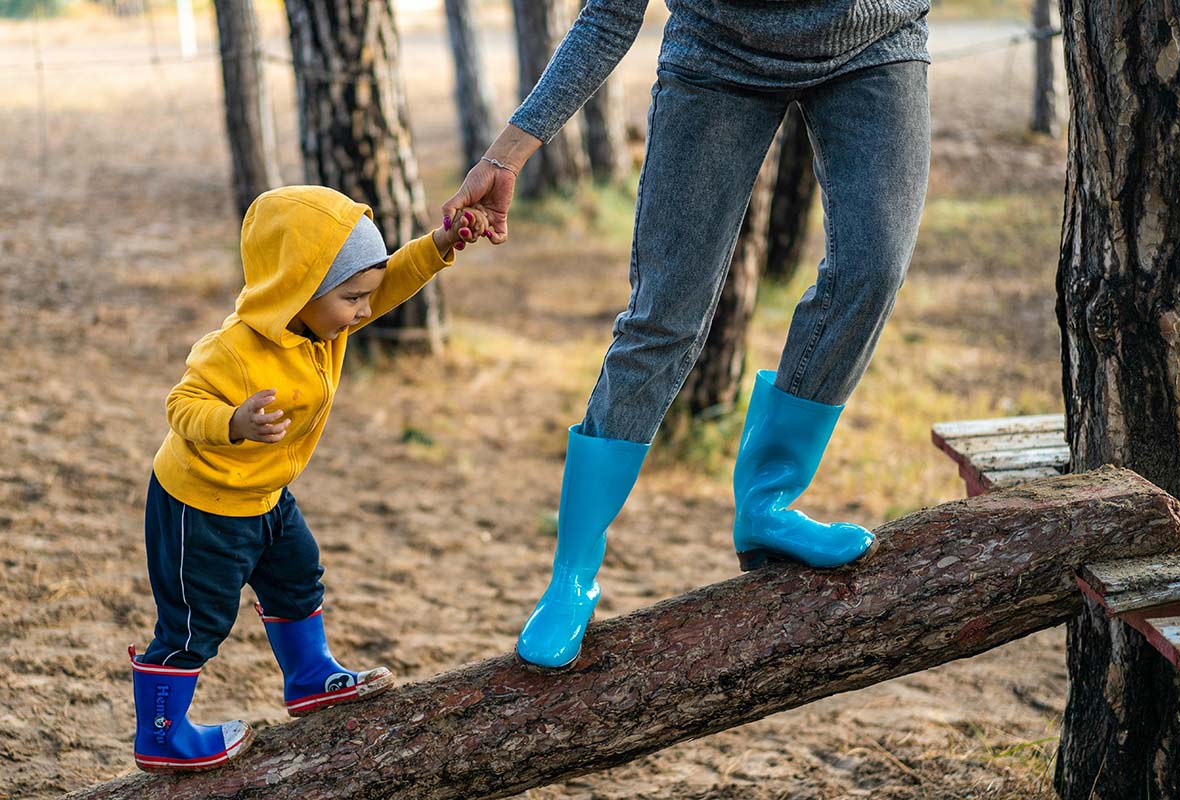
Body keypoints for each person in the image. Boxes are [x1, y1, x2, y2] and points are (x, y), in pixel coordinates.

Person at [443, 1, 932, 668]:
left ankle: (768, 504)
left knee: (872, 272)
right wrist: (510, 152)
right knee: (663, 317)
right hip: (718, 53)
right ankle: (573, 576)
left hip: (877, 40)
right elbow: (610, 14)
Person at [129, 185, 488, 772]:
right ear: (298, 289)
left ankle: (310, 677)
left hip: (267, 495)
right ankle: (161, 734)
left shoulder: (326, 322)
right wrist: (233, 422)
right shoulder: (235, 350)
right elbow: (180, 404)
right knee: (197, 622)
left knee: (298, 576)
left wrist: (441, 244)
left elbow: (388, 282)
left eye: (363, 297)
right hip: (204, 505)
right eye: (352, 298)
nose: (364, 311)